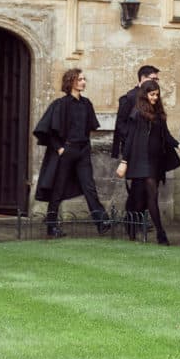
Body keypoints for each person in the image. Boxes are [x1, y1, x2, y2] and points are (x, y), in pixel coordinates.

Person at [33, 68, 108, 236]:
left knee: (89, 186)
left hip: (83, 150)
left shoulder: (86, 103)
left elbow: (89, 128)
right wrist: (60, 149)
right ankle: (51, 226)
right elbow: (48, 130)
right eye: (80, 79)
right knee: (57, 189)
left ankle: (101, 221)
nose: (83, 82)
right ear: (71, 82)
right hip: (66, 150)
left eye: (84, 79)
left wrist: (85, 147)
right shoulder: (60, 104)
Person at [116, 79, 180, 246]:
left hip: (154, 161)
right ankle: (161, 233)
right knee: (151, 196)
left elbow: (166, 135)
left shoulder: (159, 114)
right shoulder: (137, 113)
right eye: (152, 94)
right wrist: (124, 161)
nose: (154, 97)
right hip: (140, 160)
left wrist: (179, 146)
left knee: (139, 198)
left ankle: (132, 228)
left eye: (156, 95)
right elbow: (130, 139)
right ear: (145, 94)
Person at [111, 64, 160, 226]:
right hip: (133, 151)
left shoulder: (154, 98)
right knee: (138, 189)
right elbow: (121, 125)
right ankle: (132, 220)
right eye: (153, 79)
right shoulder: (129, 97)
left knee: (148, 189)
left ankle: (136, 220)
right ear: (143, 79)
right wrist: (132, 145)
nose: (156, 82)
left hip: (150, 152)